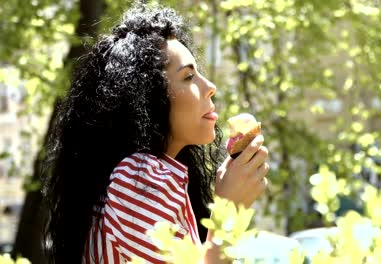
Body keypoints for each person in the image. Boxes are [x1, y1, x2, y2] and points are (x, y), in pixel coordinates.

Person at [42, 3, 269, 264]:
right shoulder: (138, 179)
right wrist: (229, 211)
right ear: (148, 98)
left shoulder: (155, 178)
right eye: (188, 77)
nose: (210, 87)